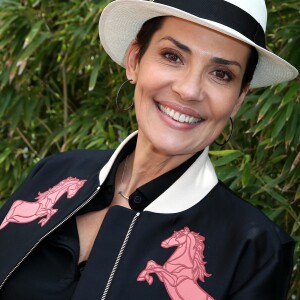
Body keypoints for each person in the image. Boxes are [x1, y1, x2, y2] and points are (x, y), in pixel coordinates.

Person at [0, 0, 298, 299]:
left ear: (238, 99)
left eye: (221, 74)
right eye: (173, 56)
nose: (189, 90)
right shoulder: (54, 172)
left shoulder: (254, 251)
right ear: (134, 60)